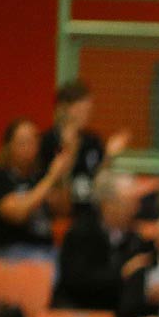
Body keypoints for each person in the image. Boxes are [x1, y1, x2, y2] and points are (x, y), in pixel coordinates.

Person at [54, 170, 149, 313]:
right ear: (108, 205)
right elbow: (76, 281)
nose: (136, 209)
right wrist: (121, 274)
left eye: (136, 202)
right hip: (80, 310)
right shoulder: (80, 234)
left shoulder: (136, 239)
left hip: (121, 313)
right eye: (129, 202)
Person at [0, 119, 70, 261]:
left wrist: (62, 175)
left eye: (33, 141)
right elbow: (17, 213)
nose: (29, 147)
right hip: (8, 250)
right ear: (9, 146)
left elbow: (63, 210)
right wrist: (51, 177)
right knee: (46, 267)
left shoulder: (39, 176)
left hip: (45, 247)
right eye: (23, 142)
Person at [39, 79, 127, 220]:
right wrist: (69, 151)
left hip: (91, 207)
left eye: (88, 110)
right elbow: (47, 184)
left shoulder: (92, 140)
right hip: (62, 208)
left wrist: (110, 155)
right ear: (64, 108)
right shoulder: (48, 140)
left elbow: (98, 177)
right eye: (81, 109)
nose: (86, 114)